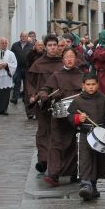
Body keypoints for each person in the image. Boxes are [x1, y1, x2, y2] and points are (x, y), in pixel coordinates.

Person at [68, 73, 105, 201]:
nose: (91, 87)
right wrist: (78, 118)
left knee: (97, 160)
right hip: (85, 134)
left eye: (93, 84)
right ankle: (86, 184)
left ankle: (93, 186)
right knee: (85, 159)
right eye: (88, 85)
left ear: (98, 85)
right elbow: (70, 116)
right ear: (83, 85)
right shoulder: (77, 101)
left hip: (100, 135)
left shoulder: (104, 100)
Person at [38, 47, 84, 186]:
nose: (69, 59)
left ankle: (74, 173)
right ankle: (53, 175)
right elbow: (45, 89)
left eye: (72, 56)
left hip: (75, 114)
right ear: (63, 59)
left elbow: (89, 89)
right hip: (58, 115)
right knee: (57, 143)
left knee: (73, 144)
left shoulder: (81, 75)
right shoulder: (57, 75)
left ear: (75, 59)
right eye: (66, 57)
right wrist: (44, 94)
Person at [26, 35, 64, 172]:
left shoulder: (63, 63)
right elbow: (30, 82)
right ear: (46, 47)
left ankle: (57, 159)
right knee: (43, 130)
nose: (52, 48)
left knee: (58, 130)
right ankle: (43, 159)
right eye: (50, 45)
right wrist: (31, 95)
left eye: (55, 45)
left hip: (59, 102)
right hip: (42, 102)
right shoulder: (38, 64)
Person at [0, 37, 18, 115]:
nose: (4, 44)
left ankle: (4, 109)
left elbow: (14, 64)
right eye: (2, 43)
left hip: (6, 77)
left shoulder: (11, 54)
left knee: (5, 93)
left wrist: (7, 65)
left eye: (5, 43)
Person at [10, 32, 34, 105]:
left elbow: (33, 56)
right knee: (17, 82)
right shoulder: (15, 45)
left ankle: (25, 98)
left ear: (27, 37)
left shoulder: (31, 46)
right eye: (22, 36)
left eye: (25, 36)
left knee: (26, 84)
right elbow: (11, 55)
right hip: (17, 67)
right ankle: (15, 98)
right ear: (20, 37)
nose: (23, 37)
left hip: (27, 67)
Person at [24, 38, 45, 119]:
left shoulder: (45, 54)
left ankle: (37, 112)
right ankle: (30, 112)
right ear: (35, 46)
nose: (40, 47)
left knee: (39, 94)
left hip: (41, 77)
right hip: (31, 76)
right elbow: (27, 63)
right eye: (39, 45)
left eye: (42, 45)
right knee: (29, 94)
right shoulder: (31, 54)